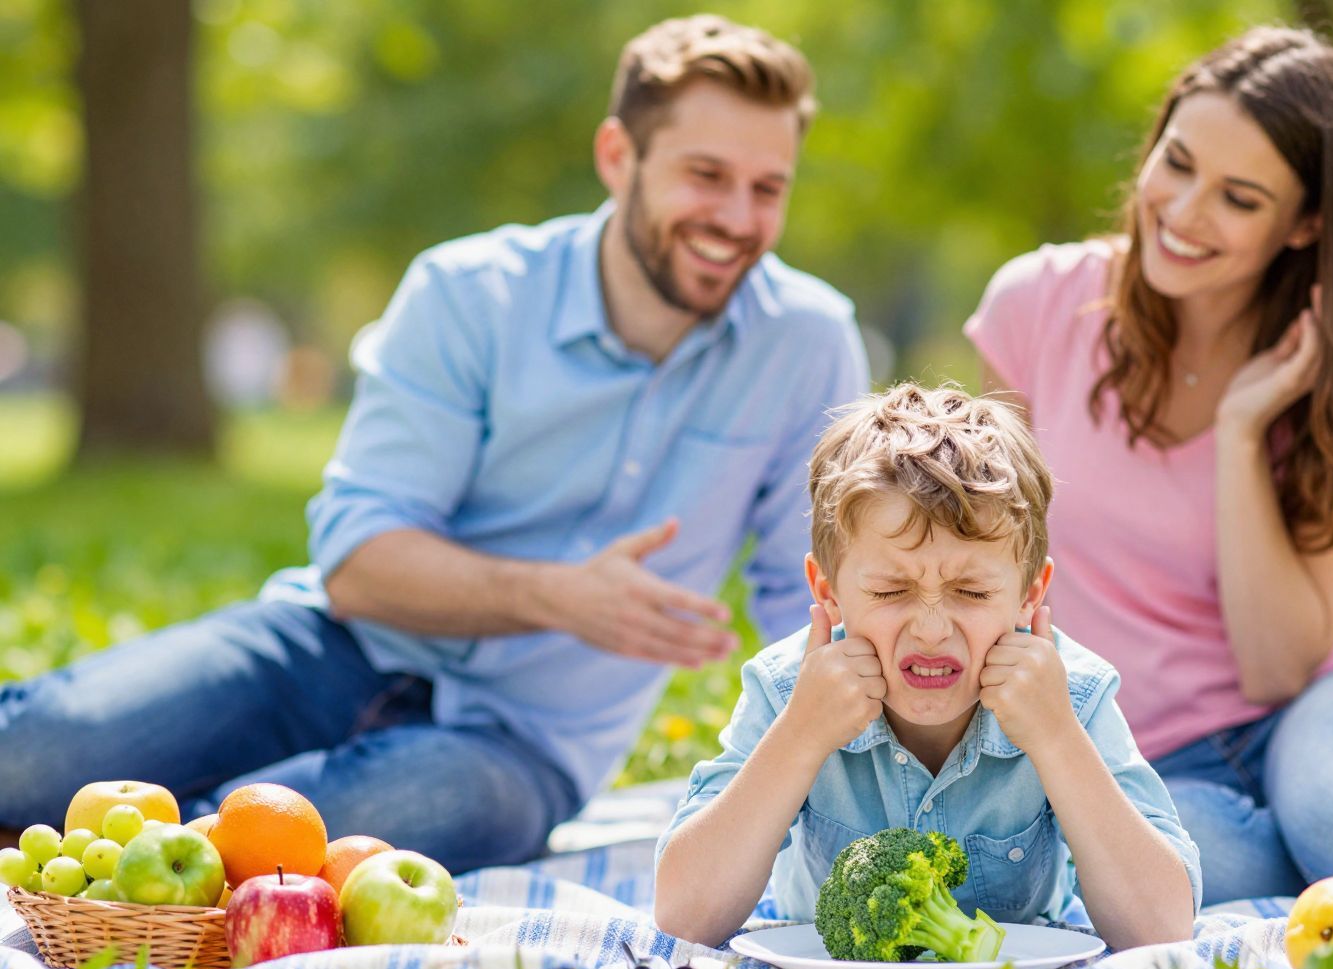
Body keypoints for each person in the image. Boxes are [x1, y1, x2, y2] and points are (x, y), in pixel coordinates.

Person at [0, 15, 868, 873]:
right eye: (706, 175)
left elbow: (814, 599)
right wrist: (559, 599)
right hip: (332, 645)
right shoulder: (470, 295)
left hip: (519, 748)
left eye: (768, 188)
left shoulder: (807, 342)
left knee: (258, 852)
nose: (737, 217)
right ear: (618, 157)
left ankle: (102, 867)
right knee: (37, 751)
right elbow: (356, 562)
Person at [965, 25, 1333, 904]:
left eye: (1238, 197)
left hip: (1317, 702)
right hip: (1138, 742)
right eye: (1177, 163)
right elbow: (980, 560)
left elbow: (1277, 667)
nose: (1184, 212)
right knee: (1197, 870)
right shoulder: (1039, 305)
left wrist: (1240, 435)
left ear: (1306, 222)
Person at [653, 383, 1199, 951]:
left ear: (1030, 595)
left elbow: (1160, 931)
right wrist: (800, 735)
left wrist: (1058, 737)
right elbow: (683, 920)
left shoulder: (1072, 696)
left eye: (970, 590)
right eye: (891, 591)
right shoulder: (788, 689)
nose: (932, 629)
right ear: (829, 590)